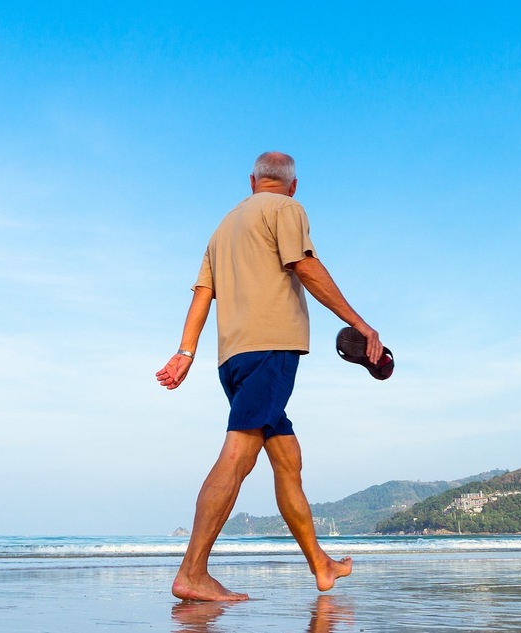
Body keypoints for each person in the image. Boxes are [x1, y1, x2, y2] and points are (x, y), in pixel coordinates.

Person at [156, 151, 384, 602]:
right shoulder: (287, 209)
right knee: (239, 455)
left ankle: (320, 564)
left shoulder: (223, 228)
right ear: (293, 185)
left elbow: (203, 295)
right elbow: (305, 266)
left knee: (286, 459)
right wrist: (361, 324)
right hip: (271, 350)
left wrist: (186, 352)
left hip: (232, 359)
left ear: (252, 181)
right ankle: (192, 573)